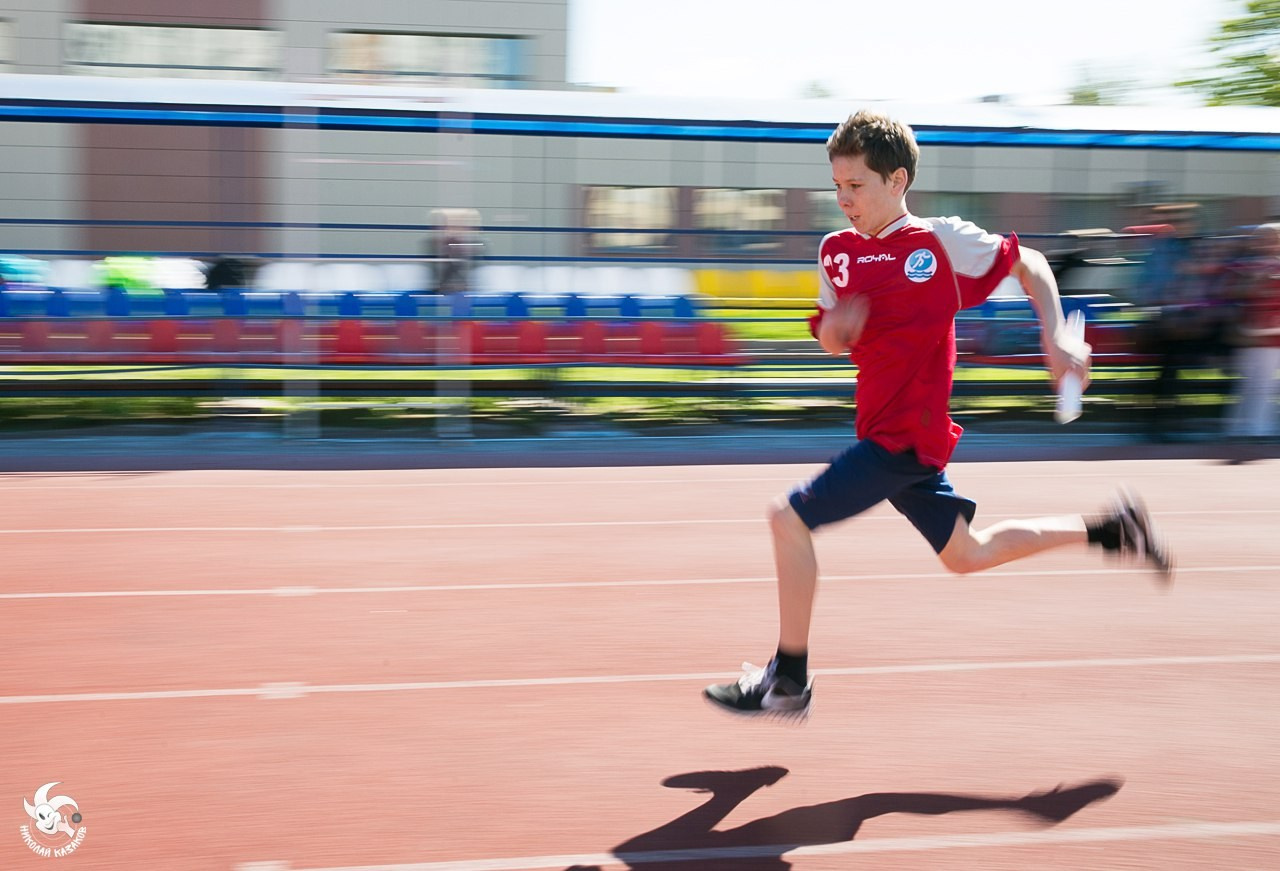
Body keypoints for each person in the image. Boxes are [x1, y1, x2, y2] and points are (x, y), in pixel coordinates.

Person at [703, 110, 1173, 721]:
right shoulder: (836, 253)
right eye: (837, 187)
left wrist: (1055, 338)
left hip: (905, 438)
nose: (843, 200)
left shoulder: (938, 241)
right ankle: (1111, 529)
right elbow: (828, 333)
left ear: (897, 181)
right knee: (965, 555)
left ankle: (788, 679)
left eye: (857, 187)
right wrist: (837, 333)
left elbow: (1031, 263)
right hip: (888, 433)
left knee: (786, 519)